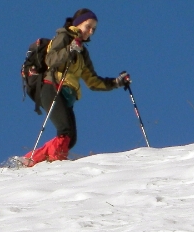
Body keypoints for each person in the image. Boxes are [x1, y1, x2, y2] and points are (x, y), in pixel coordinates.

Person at [20, 9, 130, 166]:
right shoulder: (63, 37)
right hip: (51, 87)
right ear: (78, 24)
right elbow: (51, 59)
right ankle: (52, 162)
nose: (91, 31)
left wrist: (116, 82)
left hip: (67, 95)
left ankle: (32, 160)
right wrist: (69, 49)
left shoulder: (82, 53)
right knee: (65, 131)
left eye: (94, 29)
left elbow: (92, 81)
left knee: (71, 138)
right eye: (88, 26)